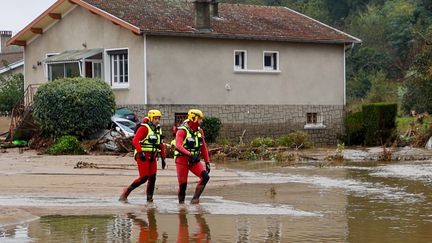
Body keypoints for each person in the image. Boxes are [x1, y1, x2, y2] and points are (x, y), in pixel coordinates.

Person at [119, 109, 166, 203]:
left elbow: (160, 144)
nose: (157, 120)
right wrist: (140, 153)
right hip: (143, 155)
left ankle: (149, 199)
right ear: (151, 118)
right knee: (144, 178)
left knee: (152, 178)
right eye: (155, 118)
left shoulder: (158, 129)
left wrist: (163, 157)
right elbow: (135, 140)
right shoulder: (144, 128)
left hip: (153, 156)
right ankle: (126, 192)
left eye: (159, 118)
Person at [174, 109, 211, 204]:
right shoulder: (182, 131)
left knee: (205, 177)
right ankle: (181, 206)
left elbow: (204, 147)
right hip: (182, 160)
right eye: (200, 119)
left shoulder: (200, 131)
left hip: (194, 160)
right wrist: (190, 154)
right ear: (194, 118)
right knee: (183, 185)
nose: (201, 121)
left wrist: (207, 162)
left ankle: (195, 199)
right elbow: (178, 145)